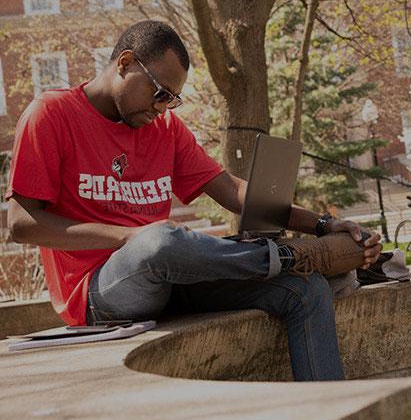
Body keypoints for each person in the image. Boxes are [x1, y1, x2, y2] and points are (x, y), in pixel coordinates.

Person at [6, 20, 382, 382]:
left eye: (172, 99)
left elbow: (231, 191)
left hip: (172, 275)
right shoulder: (52, 114)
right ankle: (284, 257)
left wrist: (323, 225)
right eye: (159, 93)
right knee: (161, 240)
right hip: (100, 291)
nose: (162, 108)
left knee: (306, 291)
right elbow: (22, 224)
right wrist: (129, 237)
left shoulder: (164, 129)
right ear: (125, 63)